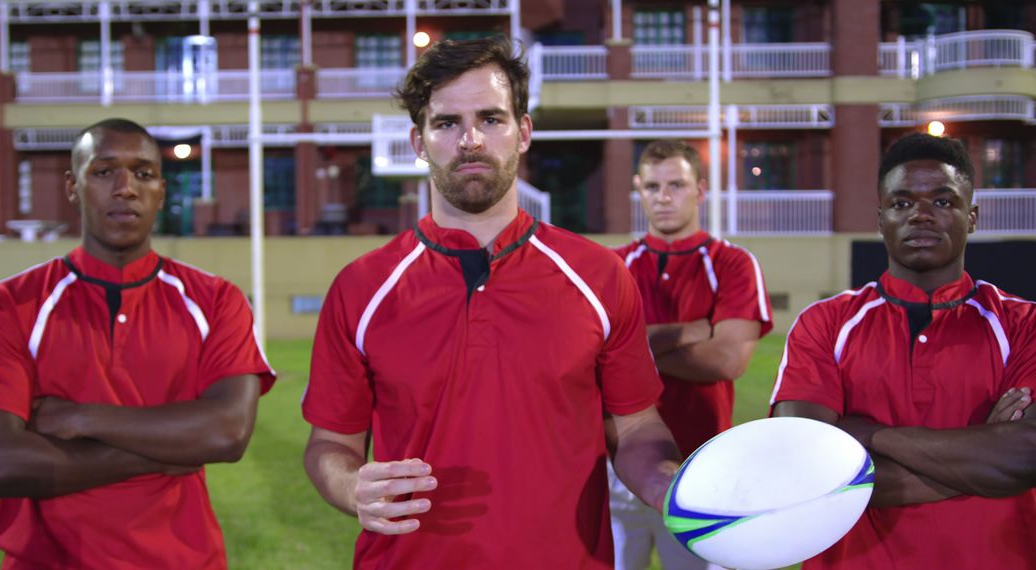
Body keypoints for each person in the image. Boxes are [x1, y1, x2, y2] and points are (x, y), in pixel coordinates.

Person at [301, 38, 681, 569]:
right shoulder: (362, 287)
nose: (471, 140)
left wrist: (666, 485)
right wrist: (350, 486)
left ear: (523, 132)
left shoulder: (598, 276)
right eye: (447, 123)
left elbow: (638, 426)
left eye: (491, 119)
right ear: (419, 141)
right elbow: (330, 444)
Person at [0, 118, 276, 569]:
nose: (125, 188)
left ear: (161, 190)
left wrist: (79, 416)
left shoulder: (217, 301)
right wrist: (162, 455)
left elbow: (226, 433)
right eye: (104, 171)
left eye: (143, 173)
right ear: (73, 185)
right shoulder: (5, 307)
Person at [772, 132, 1036, 569]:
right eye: (902, 203)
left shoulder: (1024, 324)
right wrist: (983, 459)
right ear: (881, 219)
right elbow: (806, 471)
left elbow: (1026, 456)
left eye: (943, 201)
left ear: (972, 217)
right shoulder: (825, 323)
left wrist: (868, 435)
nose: (921, 216)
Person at [609, 140, 772, 570]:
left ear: (699, 190)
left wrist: (629, 348)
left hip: (698, 465)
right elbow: (590, 356)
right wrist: (693, 331)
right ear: (638, 189)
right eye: (653, 186)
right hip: (614, 461)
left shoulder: (733, 263)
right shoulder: (612, 268)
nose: (663, 197)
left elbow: (726, 360)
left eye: (676, 185)